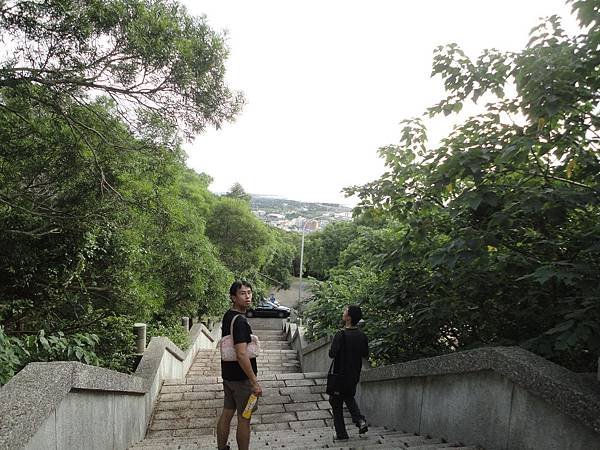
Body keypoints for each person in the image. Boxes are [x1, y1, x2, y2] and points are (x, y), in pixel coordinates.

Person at [216, 281, 263, 450]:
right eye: (242, 293)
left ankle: (222, 447)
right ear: (233, 297)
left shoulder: (228, 315)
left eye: (249, 292)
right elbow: (241, 353)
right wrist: (254, 381)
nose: (248, 296)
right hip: (242, 379)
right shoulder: (240, 322)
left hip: (228, 375)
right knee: (245, 418)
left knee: (227, 412)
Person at [328, 305, 369, 441]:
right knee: (349, 397)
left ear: (349, 317)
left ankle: (342, 434)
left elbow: (331, 354)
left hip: (340, 375)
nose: (343, 312)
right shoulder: (362, 336)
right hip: (354, 375)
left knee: (335, 401)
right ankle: (360, 421)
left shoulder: (341, 334)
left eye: (345, 311)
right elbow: (365, 355)